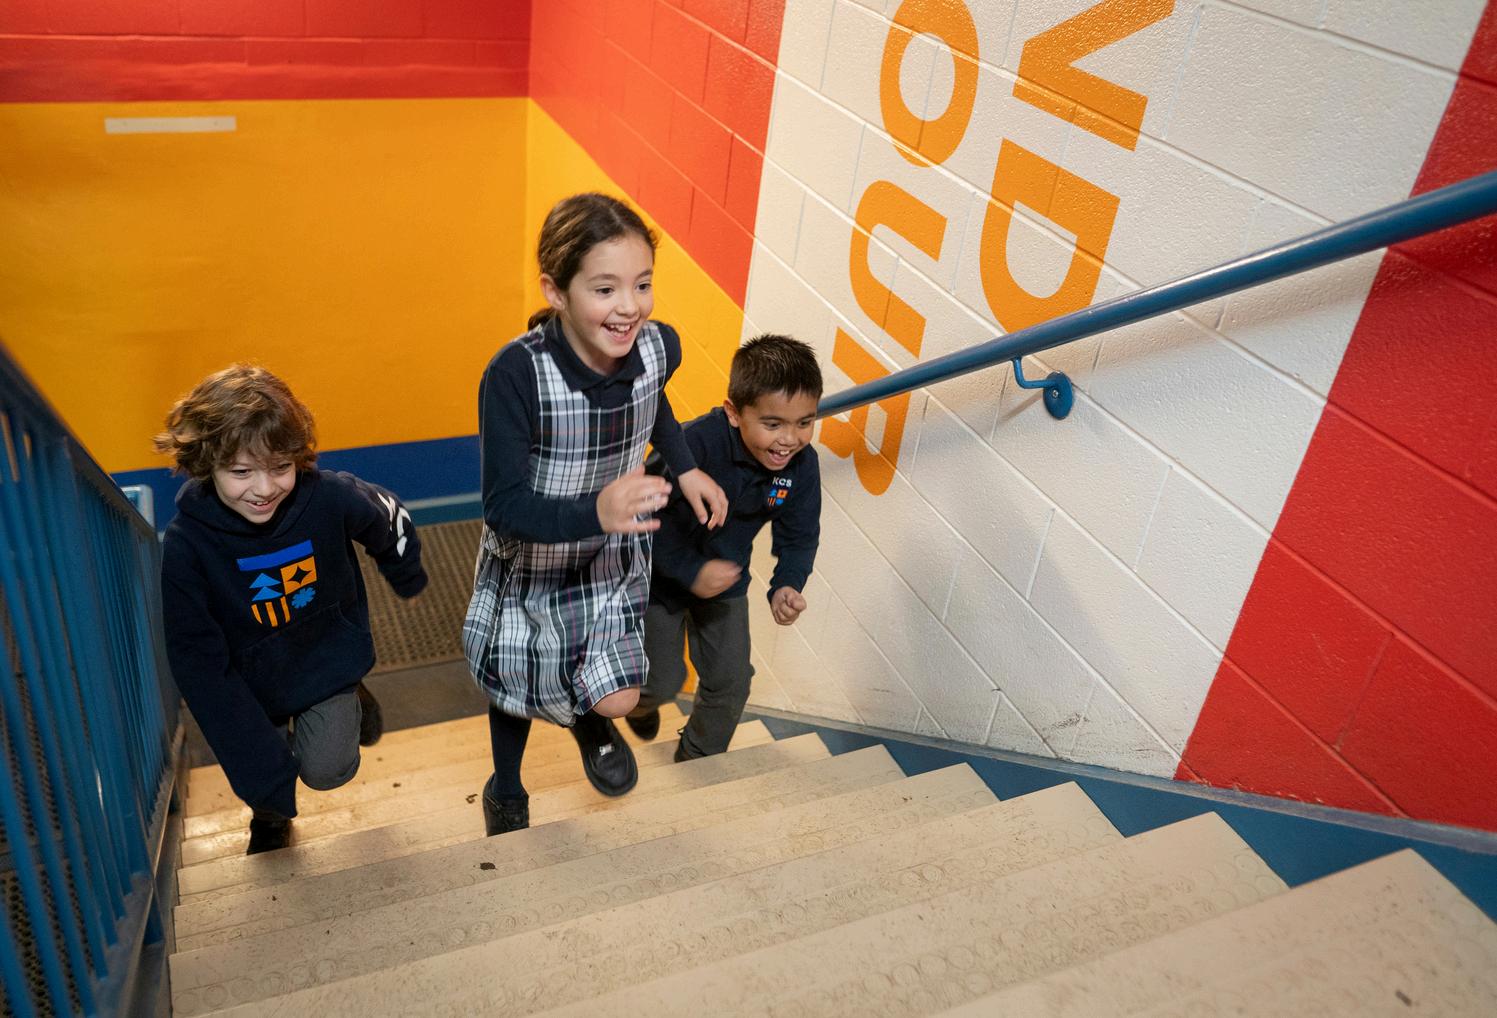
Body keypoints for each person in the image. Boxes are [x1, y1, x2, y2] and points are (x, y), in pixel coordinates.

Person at [464, 192, 728, 836]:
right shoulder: (516, 375)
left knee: (620, 696)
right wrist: (598, 510)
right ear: (556, 291)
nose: (630, 306)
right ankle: (506, 788)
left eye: (643, 284)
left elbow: (652, 399)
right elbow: (503, 508)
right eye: (605, 289)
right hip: (535, 555)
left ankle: (589, 718)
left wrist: (685, 466)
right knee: (515, 686)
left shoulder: (658, 346)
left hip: (608, 556)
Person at [156, 364, 427, 854]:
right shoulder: (186, 546)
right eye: (241, 472)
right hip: (250, 677)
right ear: (206, 464)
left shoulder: (326, 496)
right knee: (262, 764)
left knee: (327, 771)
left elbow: (386, 514)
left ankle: (351, 691)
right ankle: (271, 815)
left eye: (280, 467)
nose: (264, 489)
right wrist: (264, 783)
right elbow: (196, 660)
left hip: (324, 656)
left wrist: (402, 568)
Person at [627, 334, 822, 760]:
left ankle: (696, 761)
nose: (789, 439)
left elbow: (800, 534)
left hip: (725, 581)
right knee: (660, 681)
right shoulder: (692, 445)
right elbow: (637, 520)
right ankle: (639, 705)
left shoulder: (801, 466)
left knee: (732, 681)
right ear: (734, 413)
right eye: (773, 424)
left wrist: (787, 584)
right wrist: (690, 571)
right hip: (658, 580)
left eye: (805, 423)